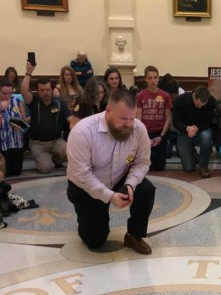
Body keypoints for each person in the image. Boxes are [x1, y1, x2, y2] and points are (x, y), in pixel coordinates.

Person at [67, 89, 156, 254]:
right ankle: (88, 219)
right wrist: (109, 196)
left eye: (132, 118)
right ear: (108, 111)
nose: (129, 124)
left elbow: (142, 162)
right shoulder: (82, 131)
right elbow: (82, 174)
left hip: (119, 177)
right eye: (123, 119)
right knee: (95, 240)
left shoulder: (138, 129)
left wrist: (130, 185)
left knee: (146, 190)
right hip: (86, 187)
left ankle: (134, 235)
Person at [21, 61, 71, 174]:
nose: (45, 92)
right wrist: (28, 73)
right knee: (46, 169)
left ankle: (56, 158)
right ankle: (48, 159)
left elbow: (70, 119)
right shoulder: (33, 101)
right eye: (42, 90)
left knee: (74, 155)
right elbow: (24, 91)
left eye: (48, 90)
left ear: (52, 90)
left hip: (57, 141)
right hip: (38, 143)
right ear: (37, 91)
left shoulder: (59, 102)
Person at [0, 79, 27, 176]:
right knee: (3, 173)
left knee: (16, 172)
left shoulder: (17, 101)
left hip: (15, 142)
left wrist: (20, 125)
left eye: (10, 93)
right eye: (4, 93)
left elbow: (24, 120)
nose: (7, 96)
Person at [172, 86, 216, 178]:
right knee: (188, 168)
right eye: (198, 104)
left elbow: (209, 121)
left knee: (206, 137)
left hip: (201, 130)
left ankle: (203, 166)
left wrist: (197, 128)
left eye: (203, 105)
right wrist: (187, 128)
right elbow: (176, 122)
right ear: (194, 96)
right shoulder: (180, 100)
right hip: (184, 131)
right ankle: (193, 155)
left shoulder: (211, 101)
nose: (200, 107)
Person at [136, 66, 172, 171]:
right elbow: (138, 118)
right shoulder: (140, 96)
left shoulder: (165, 96)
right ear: (146, 79)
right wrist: (144, 137)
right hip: (145, 133)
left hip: (160, 133)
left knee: (159, 166)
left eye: (155, 77)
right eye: (150, 78)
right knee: (145, 165)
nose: (153, 80)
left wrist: (161, 136)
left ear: (158, 78)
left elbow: (168, 118)